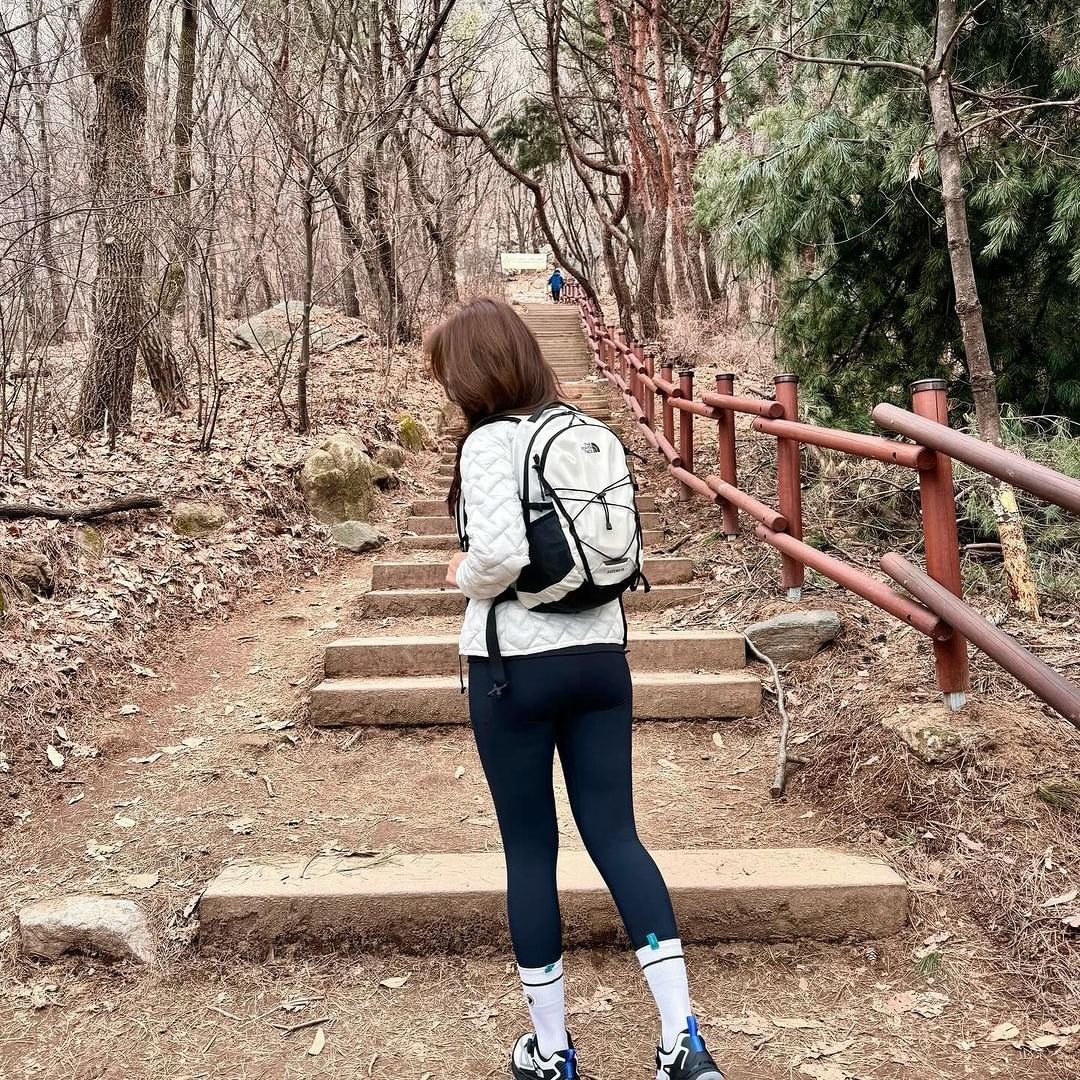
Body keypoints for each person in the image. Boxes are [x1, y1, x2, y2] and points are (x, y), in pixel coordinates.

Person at [426, 296, 724, 1080]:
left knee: (531, 853)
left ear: (474, 374)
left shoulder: (492, 441)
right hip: (600, 659)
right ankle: (681, 1041)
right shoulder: (589, 431)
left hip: (513, 671)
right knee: (618, 838)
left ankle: (554, 1053)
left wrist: (463, 573)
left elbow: (497, 556)